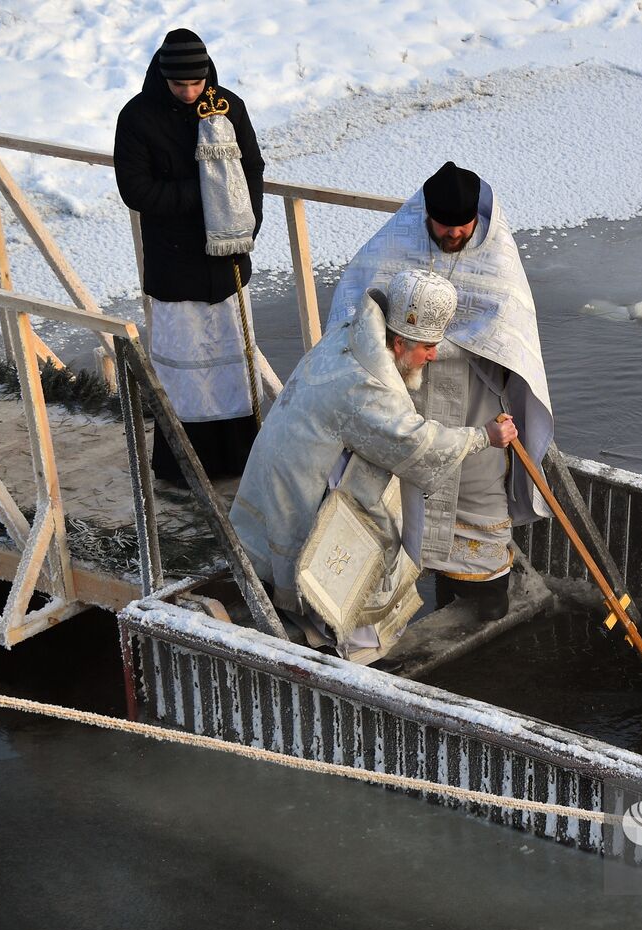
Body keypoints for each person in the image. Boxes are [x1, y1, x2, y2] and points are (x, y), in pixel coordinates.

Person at [231, 269, 518, 661]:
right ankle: (349, 646)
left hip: (285, 459)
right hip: (307, 480)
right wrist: (484, 436)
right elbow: (416, 444)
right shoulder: (371, 383)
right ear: (400, 343)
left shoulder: (355, 332)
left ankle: (296, 601)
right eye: (428, 347)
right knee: (364, 544)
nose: (434, 355)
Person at [327, 162, 553, 621]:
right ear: (426, 215)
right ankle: (385, 630)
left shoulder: (497, 255)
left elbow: (511, 333)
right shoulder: (397, 243)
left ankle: (479, 615)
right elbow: (356, 308)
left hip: (475, 403)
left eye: (461, 227)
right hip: (409, 398)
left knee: (478, 515)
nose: (452, 234)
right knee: (394, 515)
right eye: (442, 226)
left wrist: (446, 342)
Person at [114, 28, 266, 484]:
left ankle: (240, 457)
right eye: (180, 85)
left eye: (196, 84)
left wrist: (245, 222)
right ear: (164, 78)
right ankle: (183, 465)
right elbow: (135, 189)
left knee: (233, 366)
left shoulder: (227, 107)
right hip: (175, 264)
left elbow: (251, 169)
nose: (189, 92)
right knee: (183, 373)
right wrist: (202, 195)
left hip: (226, 264)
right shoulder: (138, 118)